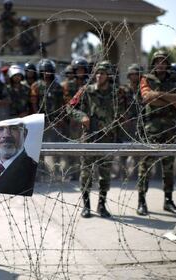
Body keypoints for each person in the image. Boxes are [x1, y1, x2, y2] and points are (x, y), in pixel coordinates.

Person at [67, 61, 118, 218]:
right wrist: (82, 116)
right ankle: (86, 205)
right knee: (86, 173)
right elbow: (69, 107)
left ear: (108, 75)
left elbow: (123, 112)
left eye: (102, 73)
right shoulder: (86, 90)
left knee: (105, 173)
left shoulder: (115, 93)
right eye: (97, 72)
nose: (99, 76)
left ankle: (102, 204)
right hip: (89, 137)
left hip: (107, 139)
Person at [137, 50, 176, 216]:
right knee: (146, 166)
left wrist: (159, 95)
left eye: (163, 61)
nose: (160, 64)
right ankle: (141, 201)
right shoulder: (146, 79)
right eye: (157, 61)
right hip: (152, 129)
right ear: (153, 63)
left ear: (167, 63)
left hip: (170, 129)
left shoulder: (174, 79)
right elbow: (147, 97)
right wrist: (168, 97)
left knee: (168, 166)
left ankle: (168, 200)